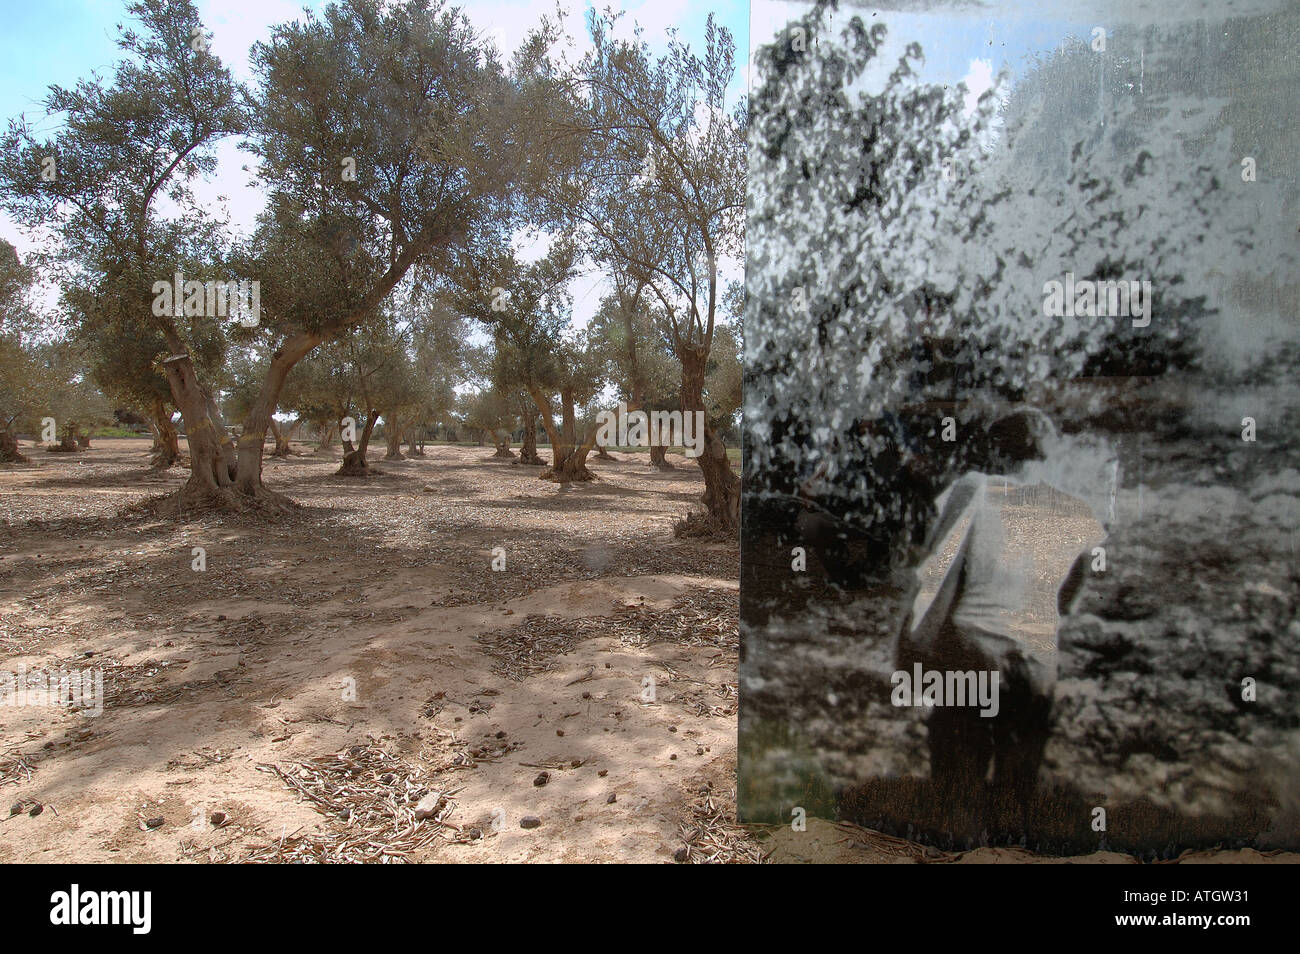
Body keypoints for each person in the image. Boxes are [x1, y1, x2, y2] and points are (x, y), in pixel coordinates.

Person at [894, 408, 1106, 828]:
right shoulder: (1076, 511)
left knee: (956, 794)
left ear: (995, 451)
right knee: (1016, 799)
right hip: (1036, 667)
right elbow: (1076, 586)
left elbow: (935, 575)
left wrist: (910, 650)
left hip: (973, 654)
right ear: (1049, 456)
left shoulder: (973, 489)